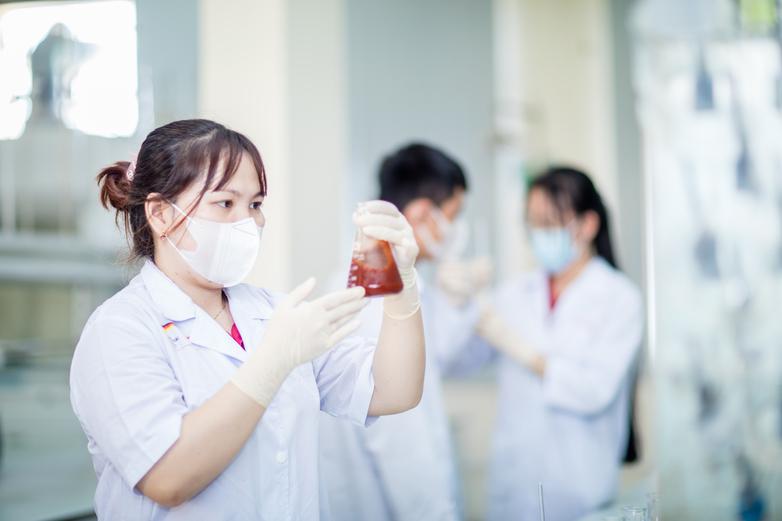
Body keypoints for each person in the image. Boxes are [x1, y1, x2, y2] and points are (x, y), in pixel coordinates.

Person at [68, 119, 426, 520]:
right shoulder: (120, 330)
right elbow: (166, 477)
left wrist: (401, 289)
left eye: (255, 205)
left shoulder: (272, 313)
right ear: (160, 213)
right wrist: (271, 365)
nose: (249, 221)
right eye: (225, 203)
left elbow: (394, 391)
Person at [319, 143, 491, 521]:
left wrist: (459, 303)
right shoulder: (381, 294)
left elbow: (438, 358)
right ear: (422, 214)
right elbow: (405, 445)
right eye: (453, 215)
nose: (455, 230)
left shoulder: (377, 281)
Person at [474, 166, 643, 521]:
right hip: (514, 489)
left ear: (588, 225)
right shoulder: (514, 293)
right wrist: (460, 303)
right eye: (533, 223)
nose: (540, 233)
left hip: (579, 491)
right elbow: (461, 358)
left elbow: (594, 390)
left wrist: (529, 355)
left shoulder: (619, 298)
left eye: (550, 222)